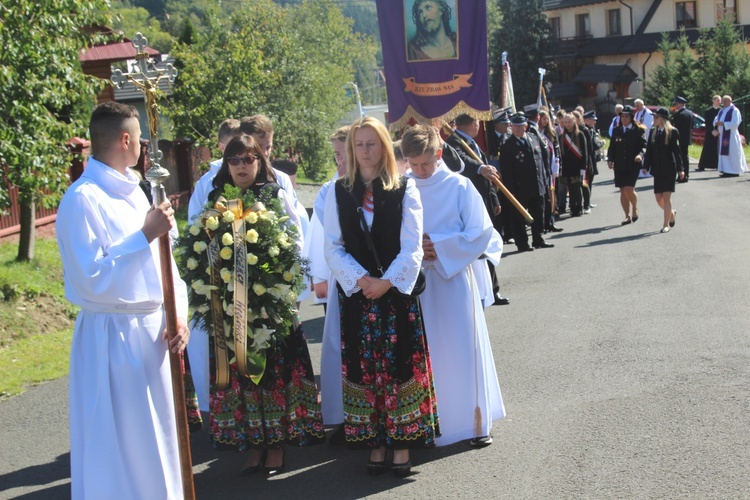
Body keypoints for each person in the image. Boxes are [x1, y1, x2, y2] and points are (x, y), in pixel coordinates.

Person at [57, 102, 190, 499]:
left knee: (161, 440)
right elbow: (90, 278)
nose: (144, 149)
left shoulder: (136, 191)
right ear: (126, 139)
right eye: (141, 140)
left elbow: (167, 267)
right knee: (121, 446)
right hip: (112, 339)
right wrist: (143, 235)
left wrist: (177, 315)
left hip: (154, 333)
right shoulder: (83, 199)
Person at [324, 116, 440, 477]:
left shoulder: (405, 188)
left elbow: (412, 248)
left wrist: (385, 282)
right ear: (350, 149)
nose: (365, 150)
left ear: (385, 146)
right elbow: (332, 246)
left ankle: (402, 441)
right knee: (364, 367)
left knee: (399, 364)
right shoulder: (337, 191)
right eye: (359, 144)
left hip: (394, 296)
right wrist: (362, 281)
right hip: (359, 296)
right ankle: (374, 440)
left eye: (371, 143)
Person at [203, 134, 324, 476]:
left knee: (271, 372)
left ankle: (277, 446)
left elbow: (296, 244)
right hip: (230, 307)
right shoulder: (216, 198)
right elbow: (205, 248)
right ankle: (254, 443)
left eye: (248, 159)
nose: (241, 166)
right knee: (242, 374)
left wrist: (284, 292)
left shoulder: (275, 195)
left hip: (269, 306)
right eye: (234, 160)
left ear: (259, 161)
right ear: (226, 165)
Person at [401, 124, 505, 447]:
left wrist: (442, 246)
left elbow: (481, 232)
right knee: (429, 354)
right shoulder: (403, 188)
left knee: (463, 349)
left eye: (426, 164)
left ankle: (475, 424)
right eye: (414, 165)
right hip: (419, 285)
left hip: (455, 279)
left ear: (439, 154)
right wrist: (415, 247)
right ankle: (433, 422)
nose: (420, 171)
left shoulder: (460, 186)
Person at [185, 119, 241, 419]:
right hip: (217, 272)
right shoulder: (206, 183)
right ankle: (225, 409)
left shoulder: (256, 175)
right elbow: (195, 226)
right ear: (220, 147)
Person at [499, 114, 554, 251]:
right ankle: (522, 243)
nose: (517, 129)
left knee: (538, 213)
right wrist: (511, 191)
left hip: (537, 184)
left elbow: (542, 161)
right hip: (519, 188)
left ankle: (538, 239)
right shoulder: (507, 146)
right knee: (518, 218)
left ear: (526, 126)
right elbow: (506, 171)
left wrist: (545, 179)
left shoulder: (534, 138)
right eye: (515, 126)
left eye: (520, 125)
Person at [642, 107, 685, 233]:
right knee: (658, 197)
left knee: (666, 196)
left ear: (663, 119)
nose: (654, 119)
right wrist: (646, 166)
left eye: (656, 117)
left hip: (669, 169)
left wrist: (680, 169)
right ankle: (671, 213)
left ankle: (665, 224)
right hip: (657, 169)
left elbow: (677, 152)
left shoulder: (672, 131)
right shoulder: (653, 131)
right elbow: (649, 151)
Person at [607, 105, 647, 225]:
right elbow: (612, 147)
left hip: (632, 164)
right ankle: (627, 215)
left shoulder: (638, 130)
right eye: (622, 116)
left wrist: (640, 155)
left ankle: (634, 207)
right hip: (619, 164)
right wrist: (610, 159)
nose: (624, 119)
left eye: (626, 116)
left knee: (630, 188)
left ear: (631, 117)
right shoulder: (617, 130)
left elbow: (644, 146)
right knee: (622, 190)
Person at [538, 109, 563, 232]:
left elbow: (557, 151)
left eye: (547, 118)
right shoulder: (535, 132)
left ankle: (551, 219)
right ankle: (543, 221)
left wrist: (557, 166)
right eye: (543, 118)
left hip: (551, 167)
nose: (545, 121)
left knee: (552, 194)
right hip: (540, 169)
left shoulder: (551, 133)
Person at [558, 113, 588, 217]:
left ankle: (579, 207)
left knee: (577, 188)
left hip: (577, 166)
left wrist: (583, 168)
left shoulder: (580, 134)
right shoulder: (561, 137)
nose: (567, 124)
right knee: (570, 188)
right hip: (567, 167)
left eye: (569, 122)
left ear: (574, 122)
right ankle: (573, 207)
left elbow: (584, 153)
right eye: (565, 122)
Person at [713, 95, 747, 177]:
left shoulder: (734, 110)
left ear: (730, 101)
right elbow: (716, 119)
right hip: (722, 136)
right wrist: (716, 123)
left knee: (732, 153)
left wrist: (723, 124)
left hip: (731, 136)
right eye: (723, 101)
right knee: (724, 154)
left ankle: (734, 171)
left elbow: (735, 123)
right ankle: (725, 170)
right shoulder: (721, 111)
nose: (724, 102)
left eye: (725, 101)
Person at [582, 110, 602, 213]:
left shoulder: (591, 129)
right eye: (592, 120)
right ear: (587, 120)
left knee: (590, 181)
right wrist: (601, 143)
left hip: (592, 159)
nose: (594, 122)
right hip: (588, 159)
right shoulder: (586, 130)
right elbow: (593, 145)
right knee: (587, 181)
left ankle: (588, 201)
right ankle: (586, 204)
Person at [671, 96, 693, 182]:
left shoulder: (678, 114)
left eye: (676, 103)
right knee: (685, 157)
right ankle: (686, 174)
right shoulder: (690, 113)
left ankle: (682, 175)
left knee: (680, 157)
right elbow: (692, 126)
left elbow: (676, 128)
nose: (675, 105)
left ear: (680, 104)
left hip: (679, 138)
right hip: (687, 138)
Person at [697, 95, 721, 171]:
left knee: (717, 149)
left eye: (720, 100)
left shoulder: (722, 111)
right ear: (713, 100)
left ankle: (717, 165)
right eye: (717, 100)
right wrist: (712, 130)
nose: (719, 102)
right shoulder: (708, 111)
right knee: (708, 148)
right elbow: (707, 122)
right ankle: (703, 165)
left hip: (719, 132)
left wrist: (718, 131)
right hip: (710, 132)